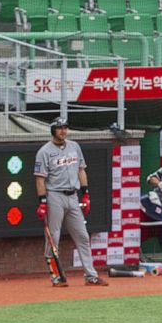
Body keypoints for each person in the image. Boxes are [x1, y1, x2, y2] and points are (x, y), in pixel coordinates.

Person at [34, 117, 108, 287]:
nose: (63, 131)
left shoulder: (74, 146)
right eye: (60, 128)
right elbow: (39, 179)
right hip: (54, 195)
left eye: (65, 128)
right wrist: (42, 202)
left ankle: (91, 276)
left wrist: (86, 194)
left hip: (73, 196)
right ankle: (56, 276)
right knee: (54, 236)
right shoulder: (44, 151)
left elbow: (81, 170)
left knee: (82, 235)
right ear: (53, 130)